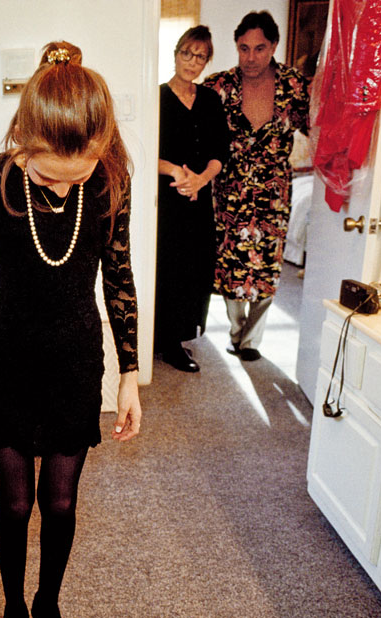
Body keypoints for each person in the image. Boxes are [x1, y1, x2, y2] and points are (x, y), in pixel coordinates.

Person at [0, 41, 141, 618]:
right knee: (13, 501)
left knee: (59, 503)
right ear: (25, 138)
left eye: (76, 175)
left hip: (76, 358)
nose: (63, 186)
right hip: (8, 356)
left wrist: (131, 375)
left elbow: (120, 279)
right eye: (51, 174)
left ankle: (47, 609)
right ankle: (10, 611)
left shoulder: (111, 182)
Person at [204, 11, 309, 361]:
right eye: (243, 48)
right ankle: (236, 332)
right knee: (232, 263)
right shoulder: (219, 86)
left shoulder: (295, 86)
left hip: (273, 192)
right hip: (230, 191)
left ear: (274, 46)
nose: (251, 58)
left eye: (259, 48)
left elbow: (319, 130)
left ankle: (252, 340)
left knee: (267, 265)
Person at [156, 25, 229, 372]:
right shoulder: (156, 98)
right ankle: (165, 341)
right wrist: (175, 172)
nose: (192, 61)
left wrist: (200, 179)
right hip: (167, 201)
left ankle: (181, 335)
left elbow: (219, 152)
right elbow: (143, 153)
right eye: (187, 53)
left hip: (199, 199)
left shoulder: (211, 100)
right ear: (175, 54)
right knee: (168, 267)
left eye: (200, 56)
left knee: (195, 267)